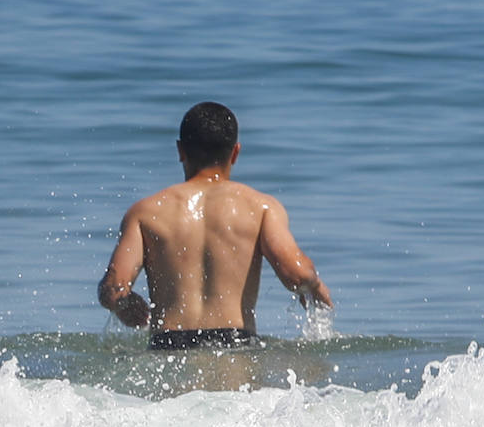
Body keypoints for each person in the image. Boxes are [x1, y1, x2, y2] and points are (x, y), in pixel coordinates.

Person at [97, 101, 333, 350]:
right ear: (235, 153)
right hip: (233, 345)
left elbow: (113, 289)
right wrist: (316, 288)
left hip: (168, 347)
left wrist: (125, 303)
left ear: (180, 151)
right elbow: (296, 274)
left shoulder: (145, 212)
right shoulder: (261, 208)